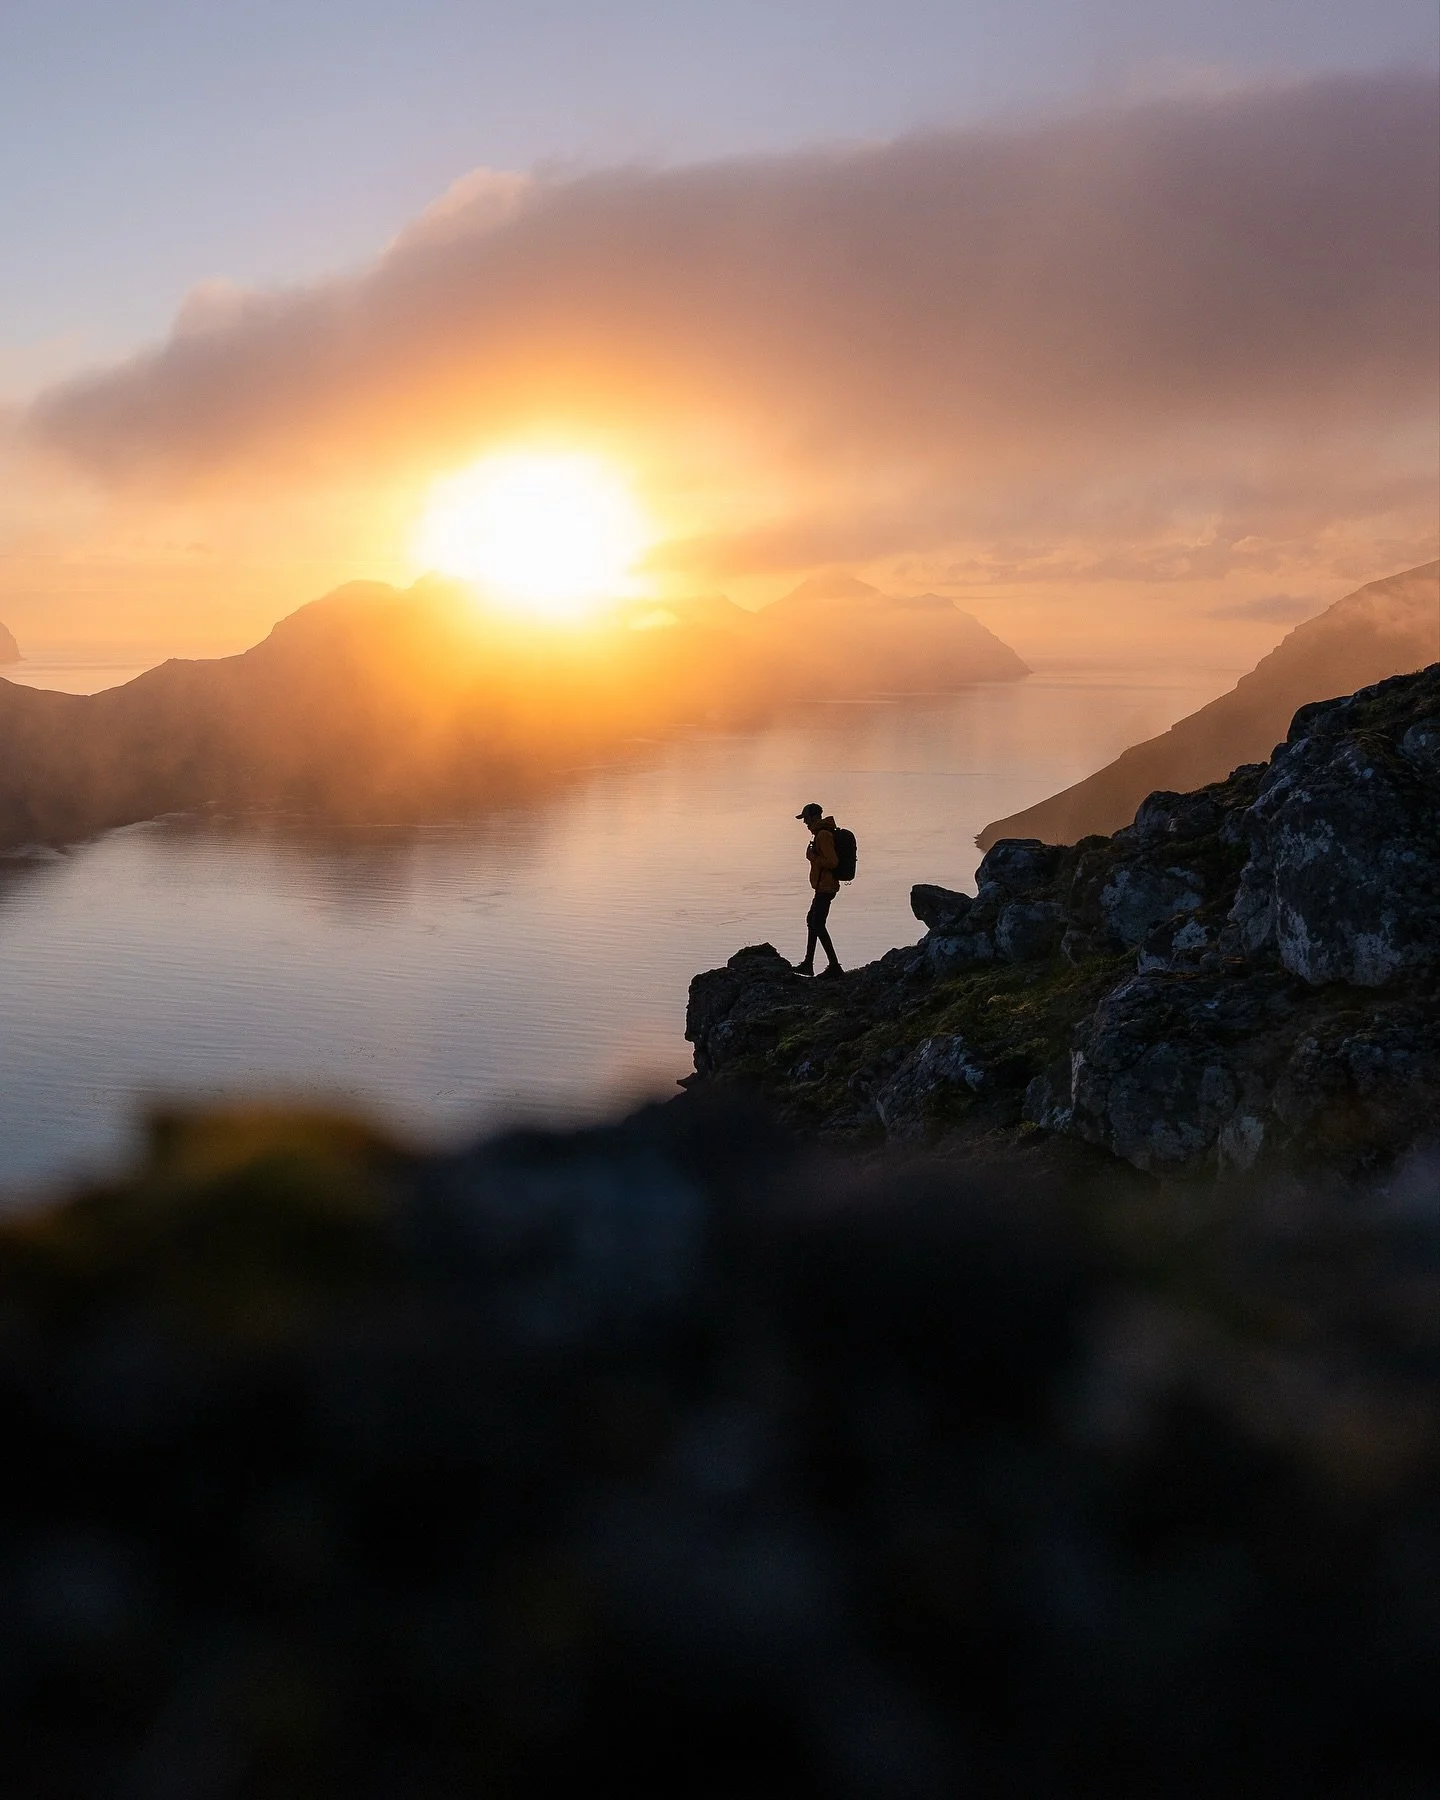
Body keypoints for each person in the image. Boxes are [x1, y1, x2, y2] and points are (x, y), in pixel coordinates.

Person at [794, 802, 842, 977]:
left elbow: (832, 862)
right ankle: (808, 963)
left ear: (815, 817)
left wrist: (813, 857)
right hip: (823, 887)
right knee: (812, 920)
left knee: (818, 924)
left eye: (806, 818)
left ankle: (834, 967)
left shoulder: (823, 835)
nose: (805, 823)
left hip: (826, 887)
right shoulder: (821, 834)